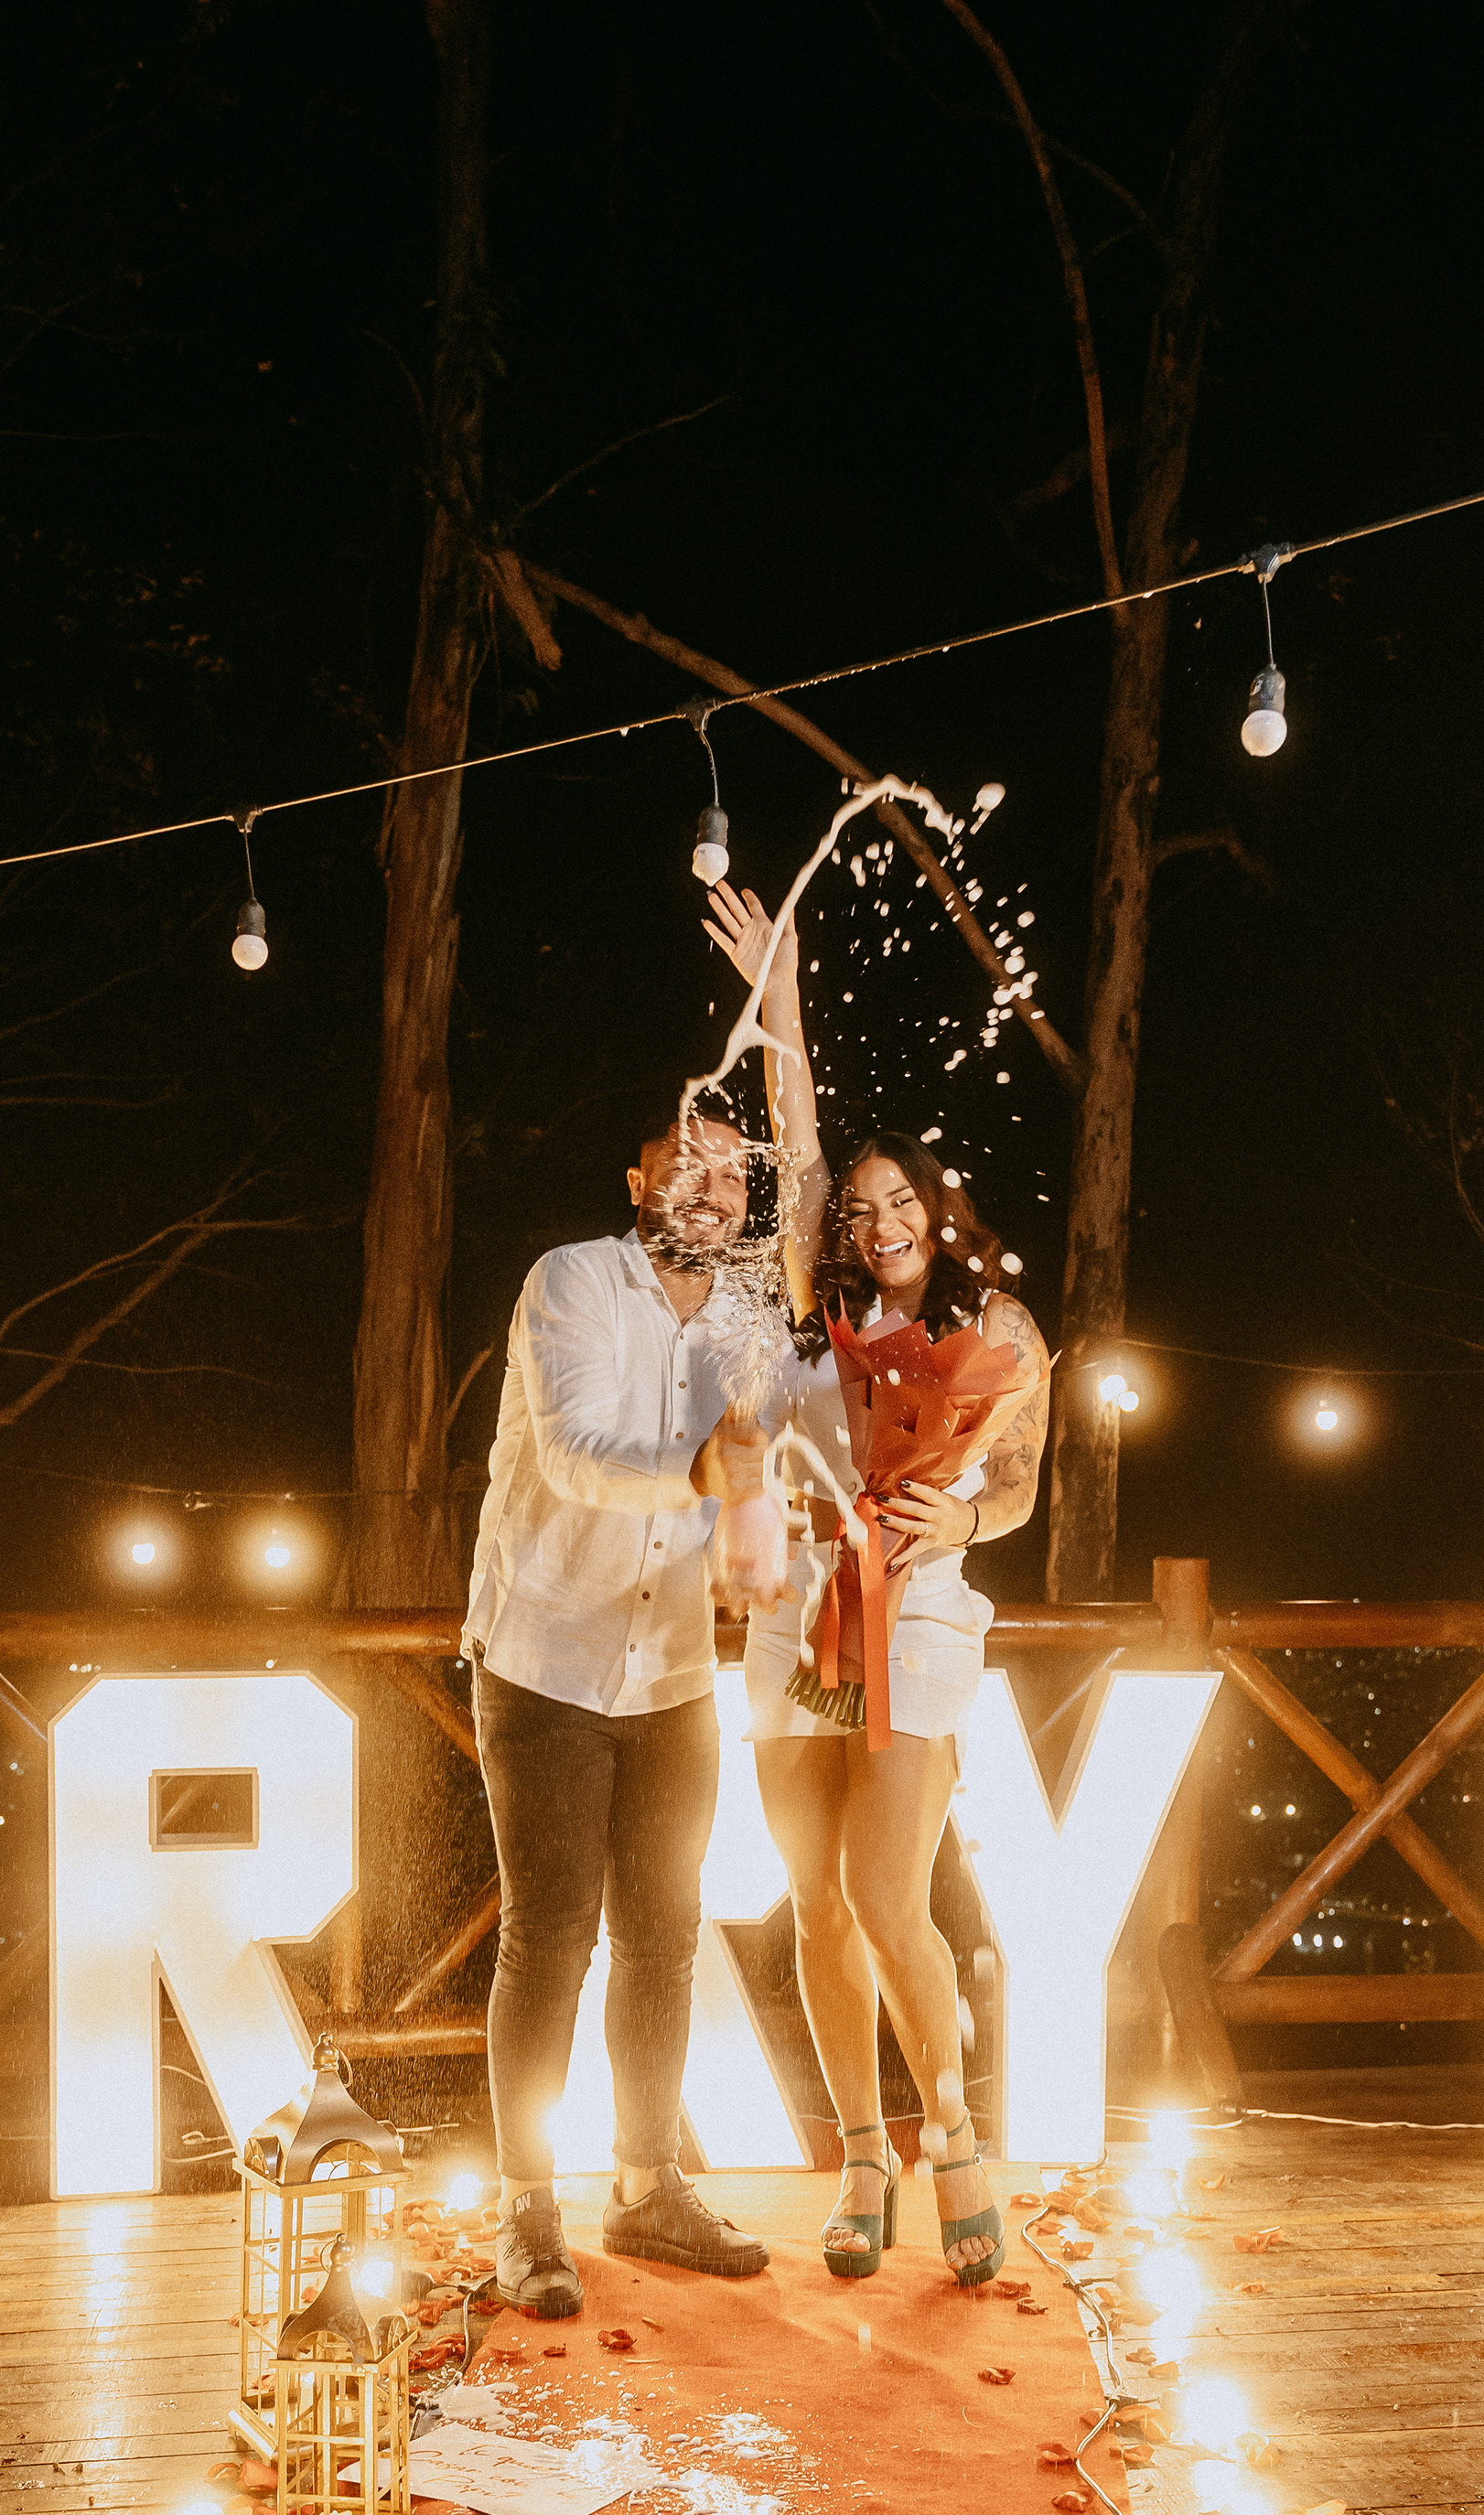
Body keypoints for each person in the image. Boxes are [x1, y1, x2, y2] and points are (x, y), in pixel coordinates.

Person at [704, 880, 1050, 2287]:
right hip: (799, 1617)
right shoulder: (819, 1308)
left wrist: (961, 1518)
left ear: (934, 1210)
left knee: (884, 1889)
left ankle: (953, 2131)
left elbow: (1020, 1485)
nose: (879, 1217)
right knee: (816, 1901)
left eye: (900, 1199)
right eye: (860, 1207)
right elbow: (795, 1144)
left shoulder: (998, 1323)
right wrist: (781, 999)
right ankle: (861, 2155)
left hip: (916, 1615)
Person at [460, 1102, 773, 2316]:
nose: (710, 1186)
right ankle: (526, 2207)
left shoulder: (751, 1319)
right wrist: (702, 1473)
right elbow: (578, 1452)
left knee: (665, 1937)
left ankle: (646, 2186)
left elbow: (762, 1473)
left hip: (677, 1671)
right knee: (550, 1938)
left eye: (731, 1172)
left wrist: (767, 1532)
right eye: (684, 1164)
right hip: (547, 1655)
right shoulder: (571, 1283)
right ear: (637, 1181)